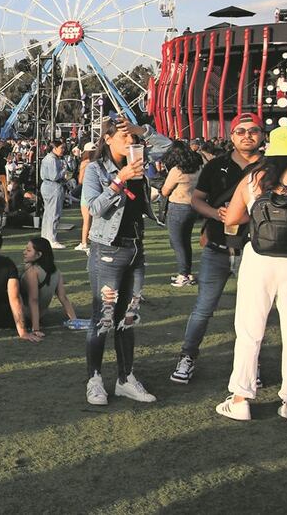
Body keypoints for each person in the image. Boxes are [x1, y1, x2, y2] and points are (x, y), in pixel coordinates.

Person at [215, 126, 287, 426]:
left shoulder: (252, 180)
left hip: (259, 258)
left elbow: (236, 218)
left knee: (250, 330)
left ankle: (241, 398)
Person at [82, 117, 171, 406]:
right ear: (107, 139)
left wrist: (141, 131)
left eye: (132, 138)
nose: (131, 142)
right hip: (107, 250)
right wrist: (120, 180)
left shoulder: (140, 162)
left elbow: (168, 146)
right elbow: (94, 207)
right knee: (103, 318)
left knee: (128, 318)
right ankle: (94, 379)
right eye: (124, 137)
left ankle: (125, 378)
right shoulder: (96, 169)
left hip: (135, 250)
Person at [170, 113, 264, 385]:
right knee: (203, 308)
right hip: (217, 246)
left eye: (253, 130)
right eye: (241, 131)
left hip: (255, 250)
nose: (247, 135)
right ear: (232, 136)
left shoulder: (270, 168)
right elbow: (196, 200)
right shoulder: (215, 166)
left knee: (254, 311)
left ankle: (251, 364)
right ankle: (187, 356)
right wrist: (214, 213)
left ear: (261, 135)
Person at [160, 141, 202, 287]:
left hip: (177, 207)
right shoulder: (197, 168)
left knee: (177, 242)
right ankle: (187, 272)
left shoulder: (177, 171)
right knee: (185, 241)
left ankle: (183, 274)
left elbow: (165, 191)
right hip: (192, 207)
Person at [20, 238, 79, 335]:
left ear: (39, 255)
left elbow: (33, 300)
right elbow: (63, 298)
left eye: (28, 250)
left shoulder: (33, 272)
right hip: (41, 314)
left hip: (26, 315)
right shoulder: (56, 271)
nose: (24, 252)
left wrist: (36, 329)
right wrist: (74, 320)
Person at [39, 140, 67, 248]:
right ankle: (52, 239)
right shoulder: (52, 159)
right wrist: (64, 170)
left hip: (47, 186)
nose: (63, 150)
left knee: (48, 213)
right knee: (54, 213)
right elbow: (54, 176)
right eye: (61, 148)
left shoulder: (50, 158)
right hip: (53, 186)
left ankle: (46, 237)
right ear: (54, 148)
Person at [74, 142, 95, 253]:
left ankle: (84, 242)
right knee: (94, 219)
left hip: (86, 192)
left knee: (86, 220)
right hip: (97, 192)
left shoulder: (85, 163)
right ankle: (91, 240)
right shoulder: (98, 162)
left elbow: (80, 180)